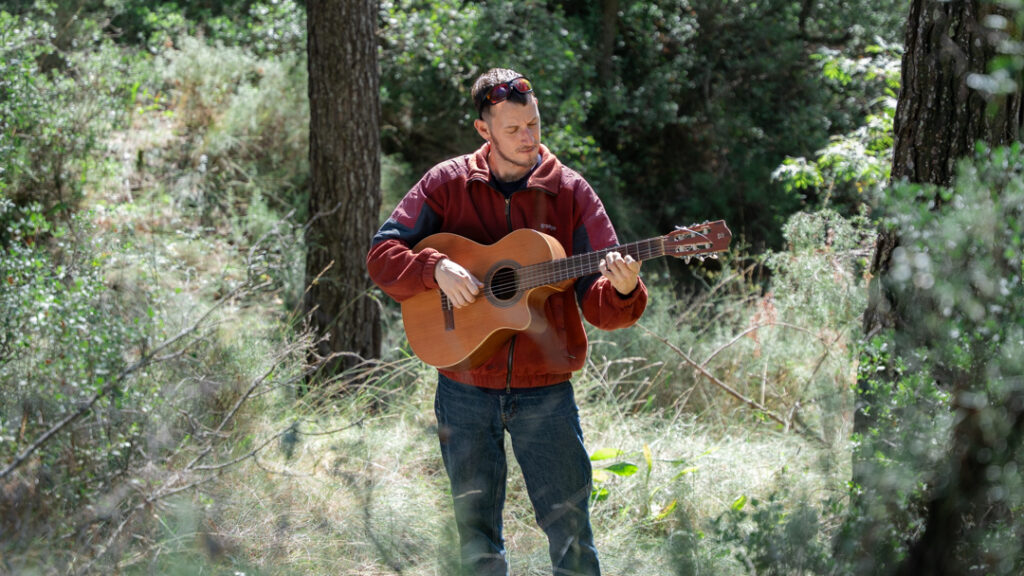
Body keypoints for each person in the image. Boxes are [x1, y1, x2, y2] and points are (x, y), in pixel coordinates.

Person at [366, 68, 647, 576]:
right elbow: (382, 255)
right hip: (463, 385)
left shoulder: (571, 193)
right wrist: (435, 268)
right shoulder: (445, 183)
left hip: (546, 391)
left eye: (534, 125)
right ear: (483, 131)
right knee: (475, 537)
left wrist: (624, 289)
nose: (528, 139)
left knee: (572, 538)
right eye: (514, 129)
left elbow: (600, 306)